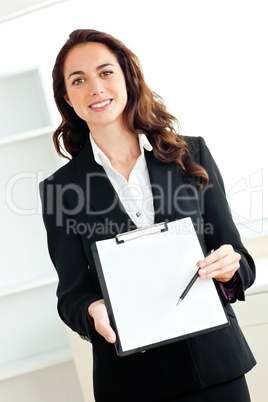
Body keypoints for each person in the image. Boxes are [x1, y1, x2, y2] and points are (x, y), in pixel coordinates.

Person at [39, 29, 256, 402]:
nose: (95, 88)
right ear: (67, 98)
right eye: (79, 80)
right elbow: (71, 296)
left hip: (214, 366)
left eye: (106, 72)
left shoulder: (191, 155)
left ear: (126, 77)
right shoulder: (60, 189)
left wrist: (230, 267)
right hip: (132, 381)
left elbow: (241, 262)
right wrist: (93, 309)